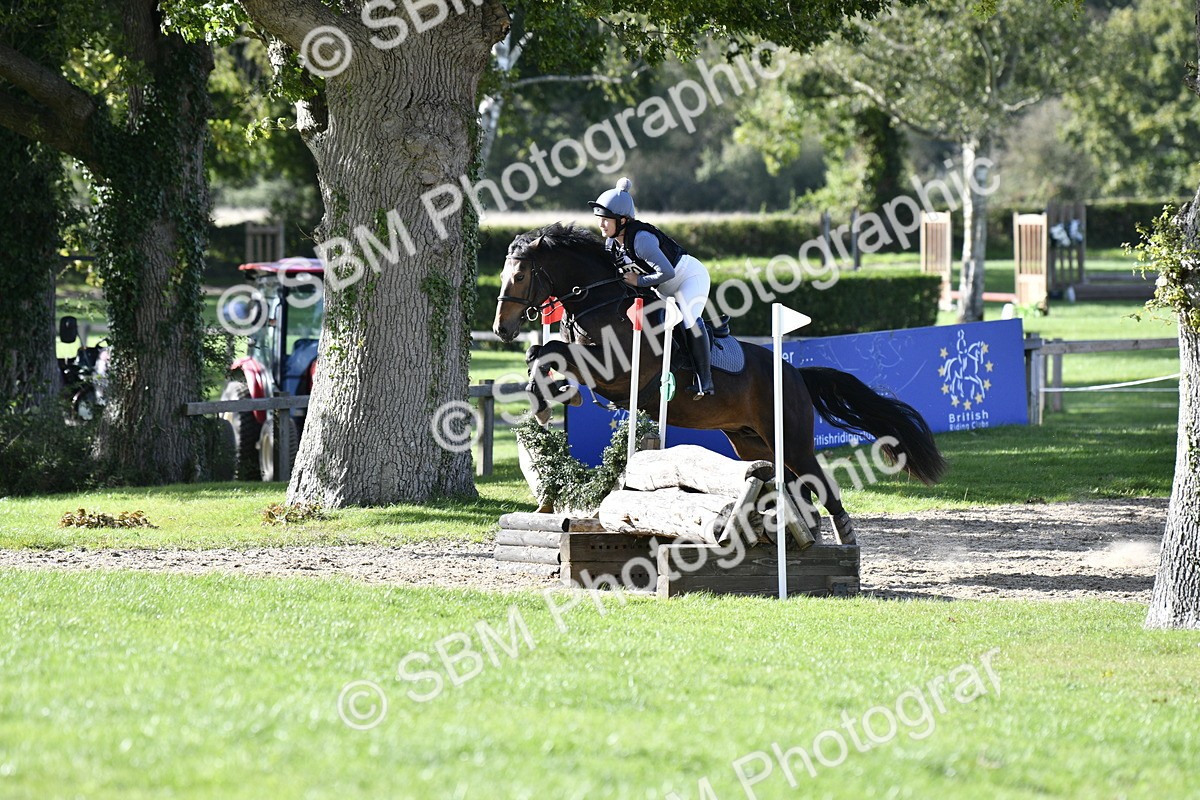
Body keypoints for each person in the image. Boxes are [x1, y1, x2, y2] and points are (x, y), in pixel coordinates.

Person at [587, 177, 715, 398]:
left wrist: (638, 282)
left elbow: (667, 273)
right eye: (599, 218)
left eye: (606, 220)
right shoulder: (611, 244)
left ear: (623, 220)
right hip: (661, 288)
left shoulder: (641, 239)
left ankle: (705, 380)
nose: (601, 224)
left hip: (688, 277)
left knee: (687, 319)